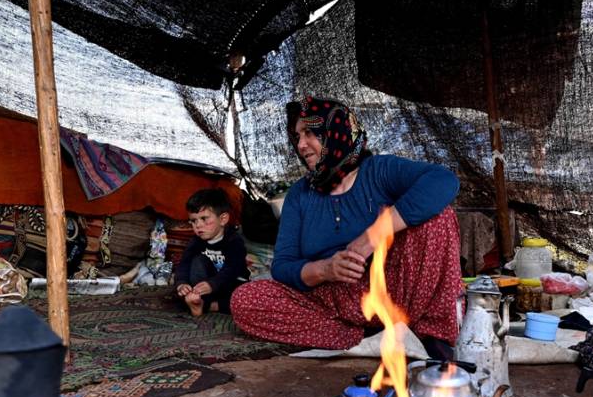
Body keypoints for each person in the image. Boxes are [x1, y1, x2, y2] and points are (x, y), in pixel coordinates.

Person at [230, 96, 462, 359]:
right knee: (245, 300)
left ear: (335, 133)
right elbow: (283, 266)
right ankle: (359, 337)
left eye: (310, 134)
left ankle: (431, 334)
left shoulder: (378, 170)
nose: (301, 144)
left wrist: (371, 238)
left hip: (393, 290)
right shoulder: (300, 195)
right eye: (297, 137)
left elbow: (443, 181)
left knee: (437, 216)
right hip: (332, 301)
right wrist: (326, 269)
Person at [174, 188, 249, 317]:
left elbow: (232, 269)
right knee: (196, 263)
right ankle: (198, 301)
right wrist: (182, 284)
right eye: (194, 220)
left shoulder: (234, 241)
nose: (198, 225)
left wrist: (213, 284)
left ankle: (210, 305)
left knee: (247, 299)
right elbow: (184, 265)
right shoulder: (195, 242)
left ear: (223, 219)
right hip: (203, 289)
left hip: (230, 283)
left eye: (204, 219)